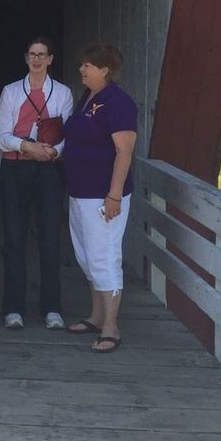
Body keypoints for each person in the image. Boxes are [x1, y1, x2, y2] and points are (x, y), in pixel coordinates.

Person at [62, 43, 137, 354]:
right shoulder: (88, 98)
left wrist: (114, 195)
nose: (82, 69)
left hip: (102, 196)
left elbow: (124, 151)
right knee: (87, 256)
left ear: (105, 70)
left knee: (105, 258)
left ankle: (111, 327)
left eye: (88, 66)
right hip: (79, 192)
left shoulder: (118, 102)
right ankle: (95, 316)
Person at [0, 36, 74, 330]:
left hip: (50, 169)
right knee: (14, 238)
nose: (37, 60)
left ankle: (52, 306)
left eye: (42, 55)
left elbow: (67, 133)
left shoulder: (63, 93)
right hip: (17, 167)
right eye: (32, 54)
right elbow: (1, 135)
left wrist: (54, 151)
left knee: (50, 238)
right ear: (26, 58)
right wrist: (27, 147)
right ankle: (13, 306)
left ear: (51, 59)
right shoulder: (11, 91)